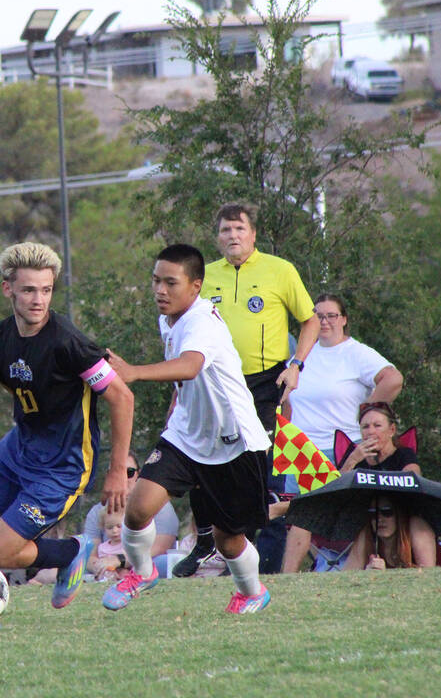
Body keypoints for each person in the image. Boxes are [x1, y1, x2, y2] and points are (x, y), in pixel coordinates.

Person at [0, 242, 134, 611]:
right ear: (8, 289)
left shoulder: (68, 343)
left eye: (46, 290)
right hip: (17, 452)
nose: (39, 300)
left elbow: (122, 397)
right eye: (28, 290)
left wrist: (117, 470)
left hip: (62, 467)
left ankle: (71, 551)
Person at [102, 244, 272, 614]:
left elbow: (191, 365)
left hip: (235, 442)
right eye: (156, 281)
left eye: (171, 283)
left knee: (229, 541)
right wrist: (175, 410)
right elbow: (186, 379)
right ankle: (142, 574)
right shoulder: (169, 318)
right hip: (185, 436)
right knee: (136, 509)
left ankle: (252, 592)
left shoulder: (202, 323)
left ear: (196, 286)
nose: (160, 291)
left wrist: (133, 373)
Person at [199, 202, 319, 572]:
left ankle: (262, 558)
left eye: (239, 229)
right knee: (212, 461)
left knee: (258, 465)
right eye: (225, 230)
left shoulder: (279, 270)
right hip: (217, 382)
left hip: (266, 379)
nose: (233, 236)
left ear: (252, 234)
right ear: (217, 237)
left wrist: (296, 365)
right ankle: (209, 546)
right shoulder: (204, 276)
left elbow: (310, 321)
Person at [280, 293, 403, 572]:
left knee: (304, 512)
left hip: (340, 447)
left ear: (344, 320)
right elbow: (287, 400)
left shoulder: (355, 353)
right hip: (299, 449)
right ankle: (291, 576)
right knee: (297, 516)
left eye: (331, 315)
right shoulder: (302, 354)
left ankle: (303, 572)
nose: (324, 321)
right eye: (317, 316)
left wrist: (368, 413)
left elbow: (393, 379)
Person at [337, 402, 436, 567]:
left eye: (377, 426)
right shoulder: (354, 458)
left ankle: (426, 573)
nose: (371, 432)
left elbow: (414, 480)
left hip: (402, 516)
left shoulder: (403, 455)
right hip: (369, 518)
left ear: (391, 430)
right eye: (365, 427)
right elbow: (335, 490)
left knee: (417, 523)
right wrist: (353, 460)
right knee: (363, 529)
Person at [82, 451, 178, 559]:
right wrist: (99, 567)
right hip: (108, 571)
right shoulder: (97, 511)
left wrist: (120, 561)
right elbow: (90, 555)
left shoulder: (160, 505)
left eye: (129, 472)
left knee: (162, 561)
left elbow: (160, 548)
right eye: (115, 472)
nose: (122, 478)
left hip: (148, 569)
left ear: (139, 474)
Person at [348, 496, 441, 570]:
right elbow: (345, 576)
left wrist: (385, 575)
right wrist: (364, 576)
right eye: (373, 513)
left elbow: (427, 576)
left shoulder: (416, 525)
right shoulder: (366, 534)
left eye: (387, 512)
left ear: (399, 513)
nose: (379, 519)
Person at [87, 509, 128, 581]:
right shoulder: (102, 548)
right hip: (108, 575)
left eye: (119, 526)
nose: (114, 531)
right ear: (104, 528)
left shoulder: (129, 545)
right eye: (110, 527)